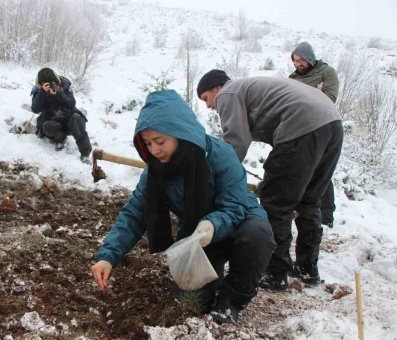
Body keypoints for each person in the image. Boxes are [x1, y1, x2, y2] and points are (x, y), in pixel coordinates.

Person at [90, 89, 275, 325]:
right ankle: (211, 285)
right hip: (197, 236)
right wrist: (108, 257)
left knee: (257, 235)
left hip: (239, 221)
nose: (154, 150)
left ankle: (232, 300)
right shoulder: (156, 170)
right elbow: (135, 213)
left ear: (180, 133)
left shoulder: (220, 156)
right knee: (193, 303)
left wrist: (213, 224)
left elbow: (235, 206)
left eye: (160, 141)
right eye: (147, 143)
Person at [197, 70, 343, 290]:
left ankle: (275, 273)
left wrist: (220, 177)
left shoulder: (228, 92)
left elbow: (236, 141)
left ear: (216, 88)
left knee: (275, 204)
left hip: (302, 126)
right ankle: (308, 269)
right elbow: (288, 164)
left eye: (206, 98)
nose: (208, 105)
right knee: (309, 201)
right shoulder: (253, 89)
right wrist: (271, 181)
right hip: (331, 124)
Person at [289, 42, 340, 229]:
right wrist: (315, 92)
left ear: (310, 58)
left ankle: (326, 216)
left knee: (321, 169)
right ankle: (299, 210)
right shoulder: (292, 78)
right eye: (295, 61)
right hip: (298, 129)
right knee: (300, 170)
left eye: (301, 60)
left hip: (322, 125)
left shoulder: (327, 72)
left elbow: (329, 99)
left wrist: (311, 98)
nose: (298, 64)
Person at [31, 68, 92, 164]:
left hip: (68, 118)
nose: (50, 85)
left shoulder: (65, 85)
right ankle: (60, 139)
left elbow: (71, 103)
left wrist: (58, 93)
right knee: (47, 126)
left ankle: (85, 154)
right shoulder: (38, 90)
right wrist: (42, 93)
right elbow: (35, 109)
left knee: (77, 118)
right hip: (51, 120)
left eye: (52, 83)